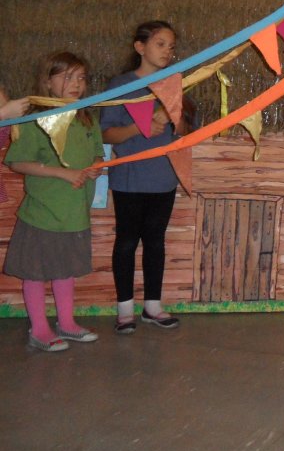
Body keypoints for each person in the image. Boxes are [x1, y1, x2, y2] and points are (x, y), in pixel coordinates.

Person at [3, 52, 103, 352]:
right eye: (67, 77)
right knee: (35, 272)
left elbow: (97, 153)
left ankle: (67, 323)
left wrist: (96, 166)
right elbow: (17, 162)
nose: (76, 84)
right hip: (43, 213)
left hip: (74, 213)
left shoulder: (87, 118)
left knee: (65, 270)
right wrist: (62, 173)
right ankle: (39, 329)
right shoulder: (35, 120)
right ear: (47, 82)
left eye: (81, 77)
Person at [101, 20, 193, 334]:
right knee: (126, 242)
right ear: (140, 47)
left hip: (163, 177)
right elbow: (107, 133)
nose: (167, 51)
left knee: (155, 242)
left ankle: (152, 306)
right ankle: (124, 310)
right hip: (129, 178)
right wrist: (139, 128)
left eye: (171, 46)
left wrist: (174, 119)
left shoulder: (174, 83)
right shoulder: (120, 84)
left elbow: (184, 132)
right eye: (160, 44)